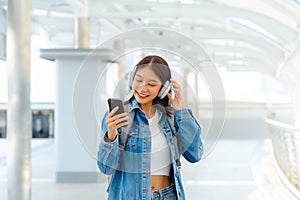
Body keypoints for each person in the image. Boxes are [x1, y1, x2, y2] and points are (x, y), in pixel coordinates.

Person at [97, 55, 203, 200]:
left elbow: (195, 155)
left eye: (151, 84)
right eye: (139, 80)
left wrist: (181, 110)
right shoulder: (119, 116)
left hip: (168, 195)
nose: (142, 88)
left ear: (164, 88)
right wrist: (111, 135)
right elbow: (106, 168)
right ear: (132, 80)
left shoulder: (171, 118)